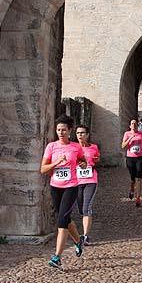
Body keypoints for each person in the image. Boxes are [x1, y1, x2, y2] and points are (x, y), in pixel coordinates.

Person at [40, 114, 88, 269]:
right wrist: (56, 162)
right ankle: (78, 241)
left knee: (61, 221)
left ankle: (57, 257)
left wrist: (82, 164)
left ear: (70, 131)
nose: (60, 132)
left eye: (63, 130)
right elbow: (43, 170)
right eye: (58, 130)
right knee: (65, 218)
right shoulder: (51, 147)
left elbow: (83, 160)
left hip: (71, 187)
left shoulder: (75, 147)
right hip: (55, 187)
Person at [75, 125, 100, 246]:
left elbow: (97, 158)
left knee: (87, 207)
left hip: (91, 180)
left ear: (87, 134)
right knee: (81, 208)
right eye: (78, 133)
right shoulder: (73, 148)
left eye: (82, 133)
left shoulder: (93, 147)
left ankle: (85, 236)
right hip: (77, 181)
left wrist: (96, 160)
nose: (80, 135)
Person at [122, 119, 142, 207]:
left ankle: (138, 198)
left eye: (135, 124)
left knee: (139, 177)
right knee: (132, 178)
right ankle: (132, 189)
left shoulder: (141, 133)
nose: (134, 125)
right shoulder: (126, 134)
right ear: (130, 126)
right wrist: (130, 139)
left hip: (140, 157)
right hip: (130, 158)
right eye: (132, 124)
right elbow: (123, 146)